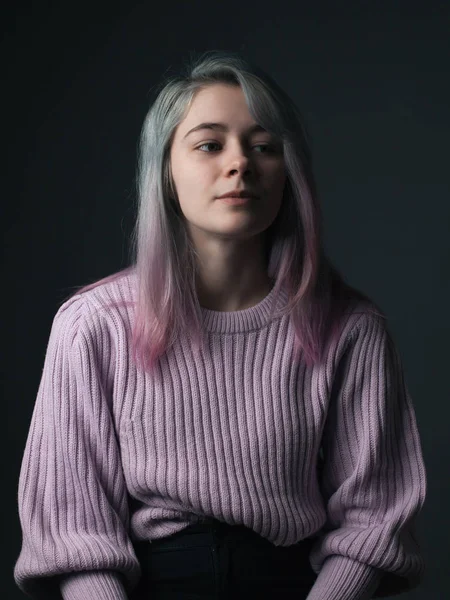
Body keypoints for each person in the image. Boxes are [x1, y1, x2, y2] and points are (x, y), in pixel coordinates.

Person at [13, 50, 427, 600]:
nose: (240, 164)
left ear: (290, 172)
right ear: (166, 169)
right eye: (209, 144)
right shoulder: (93, 326)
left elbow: (375, 520)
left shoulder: (351, 329)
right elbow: (74, 534)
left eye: (263, 147)